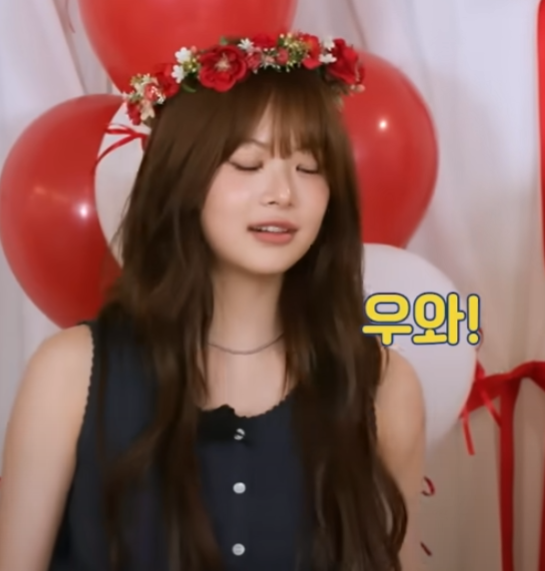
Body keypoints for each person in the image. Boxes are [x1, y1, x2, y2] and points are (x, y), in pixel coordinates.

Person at [0, 32, 425, 571]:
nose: (283, 193)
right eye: (248, 164)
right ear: (183, 179)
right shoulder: (71, 373)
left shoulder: (384, 384)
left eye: (309, 167)